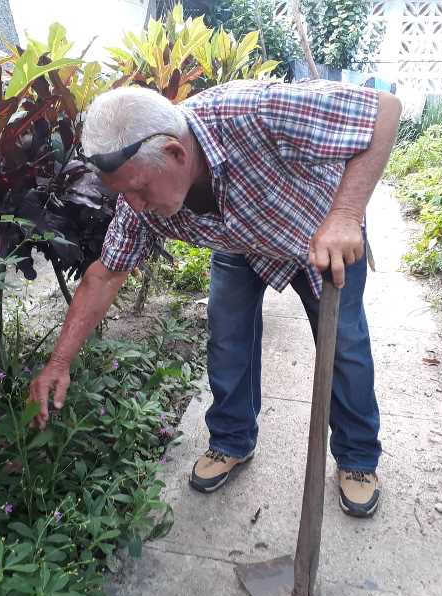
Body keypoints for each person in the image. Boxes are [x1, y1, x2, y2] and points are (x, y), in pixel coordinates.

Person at [29, 78, 402, 518]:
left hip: (319, 234)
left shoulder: (257, 111)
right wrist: (58, 362)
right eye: (123, 194)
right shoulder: (139, 199)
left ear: (175, 153)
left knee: (344, 344)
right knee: (227, 339)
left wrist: (345, 215)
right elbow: (106, 274)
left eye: (140, 189)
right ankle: (231, 440)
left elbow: (385, 110)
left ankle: (358, 458)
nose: (135, 205)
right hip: (240, 243)